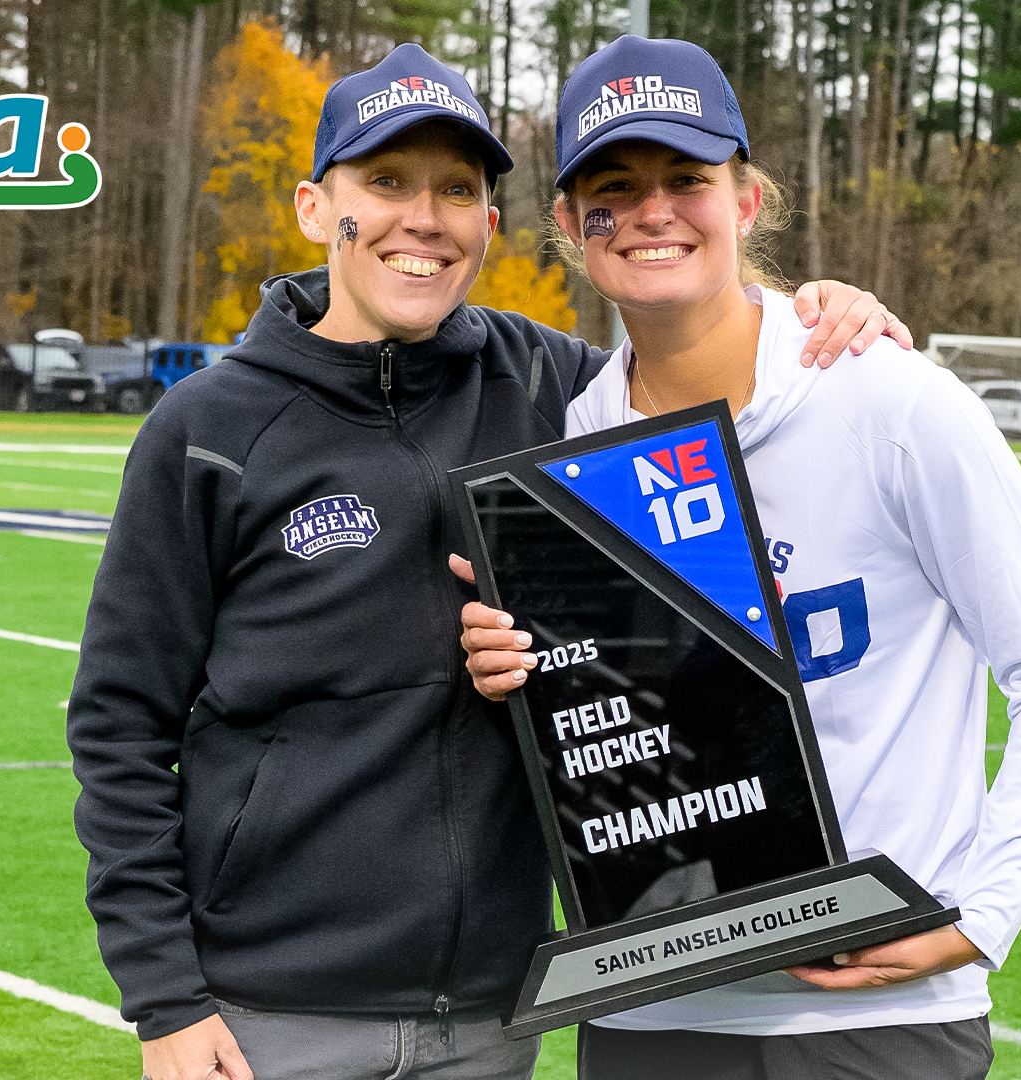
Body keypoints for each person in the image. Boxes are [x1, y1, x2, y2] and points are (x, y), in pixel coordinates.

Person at [66, 42, 912, 1080]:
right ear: (312, 205)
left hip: (493, 1020)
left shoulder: (558, 390)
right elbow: (119, 725)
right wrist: (164, 1003)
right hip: (264, 1015)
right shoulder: (208, 429)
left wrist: (817, 310)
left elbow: (711, 381)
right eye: (385, 181)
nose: (423, 218)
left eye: (456, 189)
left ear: (489, 226)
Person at [456, 36, 1021, 1080]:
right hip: (654, 1013)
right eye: (614, 189)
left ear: (748, 201)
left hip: (877, 1017)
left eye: (688, 179)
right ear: (576, 230)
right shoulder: (572, 441)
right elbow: (621, 716)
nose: (653, 210)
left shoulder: (890, 399)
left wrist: (981, 915)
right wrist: (519, 667)